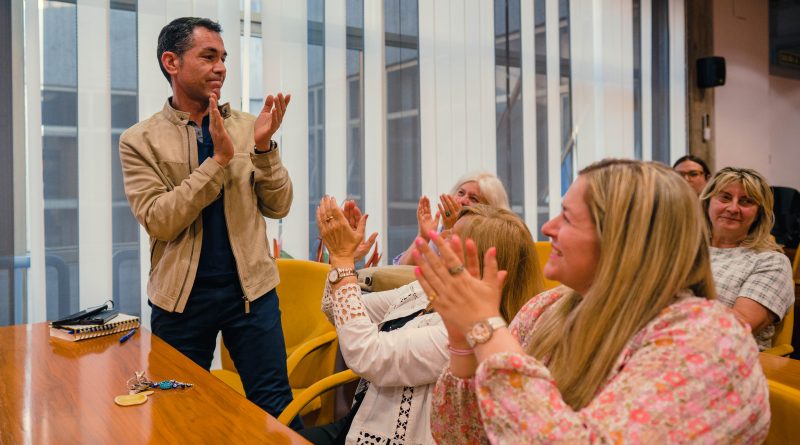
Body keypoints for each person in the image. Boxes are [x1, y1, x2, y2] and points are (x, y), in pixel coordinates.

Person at [414, 159, 770, 443]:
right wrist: (462, 339)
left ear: (623, 241)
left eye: (567, 217)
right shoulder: (549, 307)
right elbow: (461, 435)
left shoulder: (709, 339)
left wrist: (487, 327)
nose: (548, 228)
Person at [119, 17, 300, 428]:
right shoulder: (139, 140)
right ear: (172, 62)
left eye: (223, 58)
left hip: (251, 295)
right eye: (208, 56)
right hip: (181, 300)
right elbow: (159, 220)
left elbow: (279, 206)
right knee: (177, 414)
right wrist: (217, 161)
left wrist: (264, 148)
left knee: (275, 407)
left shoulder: (248, 126)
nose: (221, 67)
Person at [302, 198, 543, 444]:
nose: (443, 237)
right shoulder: (424, 291)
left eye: (454, 236)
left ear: (477, 261)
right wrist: (344, 260)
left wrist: (343, 262)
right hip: (361, 418)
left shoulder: (466, 333)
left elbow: (367, 354)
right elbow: (335, 309)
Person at [701, 167, 794, 351]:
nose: (733, 208)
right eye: (725, 197)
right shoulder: (686, 251)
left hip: (730, 361)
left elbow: (737, 327)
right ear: (707, 203)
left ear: (759, 214)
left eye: (746, 201)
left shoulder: (770, 262)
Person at [394, 172, 510, 266]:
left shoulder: (493, 239)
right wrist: (423, 237)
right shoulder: (441, 230)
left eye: (473, 198)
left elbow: (451, 275)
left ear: (490, 209)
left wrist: (454, 230)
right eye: (460, 193)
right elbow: (401, 271)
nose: (463, 200)